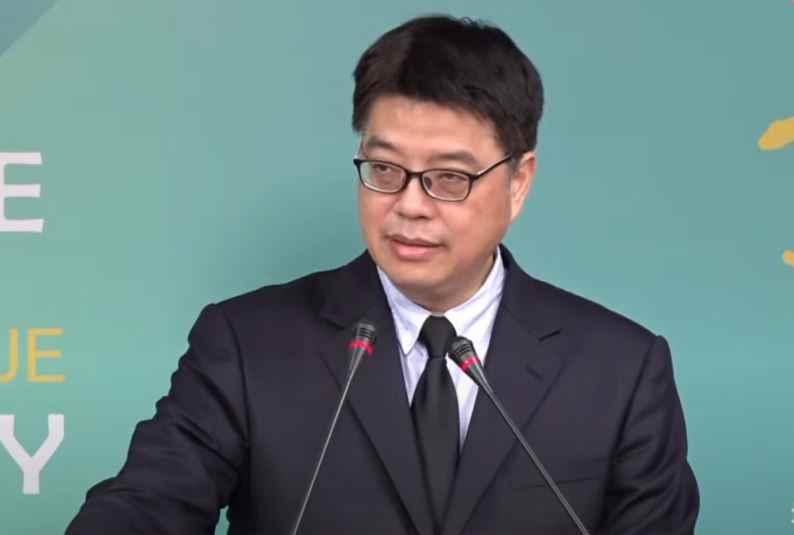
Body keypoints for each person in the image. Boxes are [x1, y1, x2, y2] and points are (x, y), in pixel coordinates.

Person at [66, 15, 699, 535]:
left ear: (518, 182)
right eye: (385, 170)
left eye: (448, 178)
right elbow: (147, 505)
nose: (410, 205)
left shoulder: (621, 370)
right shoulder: (246, 343)